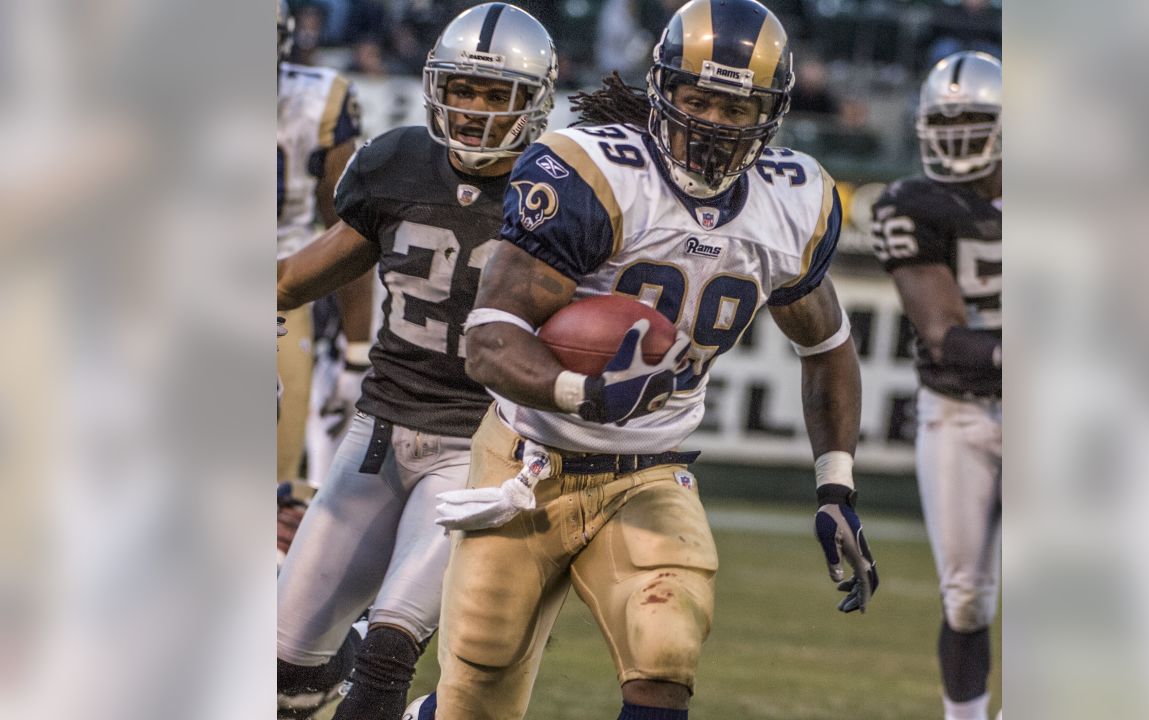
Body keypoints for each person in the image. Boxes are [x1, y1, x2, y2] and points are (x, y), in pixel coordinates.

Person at [412, 2, 879, 718]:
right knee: (476, 693)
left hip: (650, 471)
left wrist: (836, 486)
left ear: (774, 110)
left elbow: (826, 346)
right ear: (662, 89)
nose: (712, 125)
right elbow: (490, 337)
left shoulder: (795, 200)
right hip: (528, 459)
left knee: (666, 651)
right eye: (698, 100)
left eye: (736, 106)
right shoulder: (594, 174)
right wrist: (584, 391)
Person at [274, 4, 559, 719]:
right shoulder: (395, 162)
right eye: (463, 88)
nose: (474, 110)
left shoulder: (562, 192)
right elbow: (303, 273)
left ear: (536, 101)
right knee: (283, 675)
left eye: (497, 95)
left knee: (392, 646)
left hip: (476, 447)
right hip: (377, 435)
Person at [870, 51, 1002, 720]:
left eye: (976, 121)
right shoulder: (910, 205)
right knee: (967, 597)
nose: (958, 136)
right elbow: (945, 333)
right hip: (961, 410)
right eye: (946, 122)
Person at [277, 0, 372, 507]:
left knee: (278, 478)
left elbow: (350, 233)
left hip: (282, 288)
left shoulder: (319, 102)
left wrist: (358, 351)